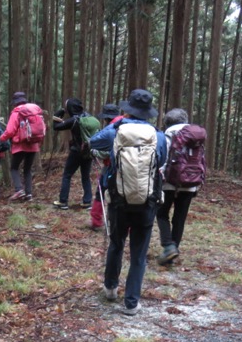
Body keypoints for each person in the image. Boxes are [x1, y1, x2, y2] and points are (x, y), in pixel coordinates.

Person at [88, 89, 167, 316]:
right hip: (147, 201)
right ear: (148, 112)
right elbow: (161, 161)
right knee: (139, 253)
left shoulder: (116, 130)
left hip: (119, 199)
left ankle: (111, 287)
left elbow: (93, 141)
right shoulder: (158, 135)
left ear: (128, 109)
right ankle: (131, 302)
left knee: (116, 243)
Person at [156, 109, 200, 265]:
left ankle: (169, 246)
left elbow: (162, 156)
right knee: (179, 218)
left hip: (169, 181)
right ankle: (172, 252)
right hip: (191, 182)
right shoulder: (196, 136)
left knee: (161, 213)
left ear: (167, 122)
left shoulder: (167, 135)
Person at [0, 92, 44, 201]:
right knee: (27, 169)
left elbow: (10, 131)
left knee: (14, 168)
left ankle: (19, 190)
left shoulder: (16, 113)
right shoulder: (34, 111)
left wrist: (2, 138)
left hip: (20, 145)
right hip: (33, 144)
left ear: (15, 102)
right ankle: (29, 194)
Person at [52, 98, 93, 210]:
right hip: (88, 151)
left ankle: (63, 201)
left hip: (76, 151)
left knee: (67, 176)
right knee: (86, 176)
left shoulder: (74, 120)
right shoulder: (88, 117)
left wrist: (59, 113)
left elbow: (56, 127)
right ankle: (87, 202)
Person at [88, 103, 121, 231]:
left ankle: (96, 221)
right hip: (131, 169)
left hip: (110, 167)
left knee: (101, 191)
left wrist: (94, 152)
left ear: (106, 118)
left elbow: (96, 144)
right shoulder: (129, 125)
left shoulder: (110, 129)